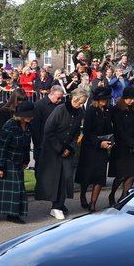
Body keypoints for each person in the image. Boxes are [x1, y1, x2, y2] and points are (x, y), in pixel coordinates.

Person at [35, 87, 87, 220]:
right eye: (80, 102)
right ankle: (56, 205)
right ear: (74, 99)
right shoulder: (60, 110)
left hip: (67, 149)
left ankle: (59, 203)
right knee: (55, 178)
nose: (81, 105)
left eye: (83, 103)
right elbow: (48, 130)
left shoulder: (79, 112)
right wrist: (59, 148)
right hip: (53, 149)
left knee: (67, 176)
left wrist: (70, 147)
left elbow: (76, 132)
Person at [0, 101, 35, 224]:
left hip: (18, 160)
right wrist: (0, 166)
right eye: (29, 115)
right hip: (7, 160)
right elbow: (2, 147)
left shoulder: (28, 125)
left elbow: (27, 144)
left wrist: (26, 160)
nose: (31, 117)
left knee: (18, 188)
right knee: (8, 188)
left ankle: (13, 214)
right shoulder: (9, 126)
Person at [76, 85, 115, 212]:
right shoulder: (91, 111)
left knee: (99, 176)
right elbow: (87, 131)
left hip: (104, 147)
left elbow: (111, 128)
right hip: (91, 147)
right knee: (87, 176)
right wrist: (99, 143)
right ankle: (83, 195)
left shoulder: (109, 110)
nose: (104, 101)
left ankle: (93, 203)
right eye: (102, 99)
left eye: (106, 99)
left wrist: (110, 141)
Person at [108, 84, 134, 206]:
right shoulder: (117, 110)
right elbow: (119, 129)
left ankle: (123, 197)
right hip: (121, 146)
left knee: (131, 174)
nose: (132, 101)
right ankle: (112, 194)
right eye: (129, 98)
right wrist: (130, 142)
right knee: (120, 175)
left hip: (132, 145)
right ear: (124, 98)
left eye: (133, 99)